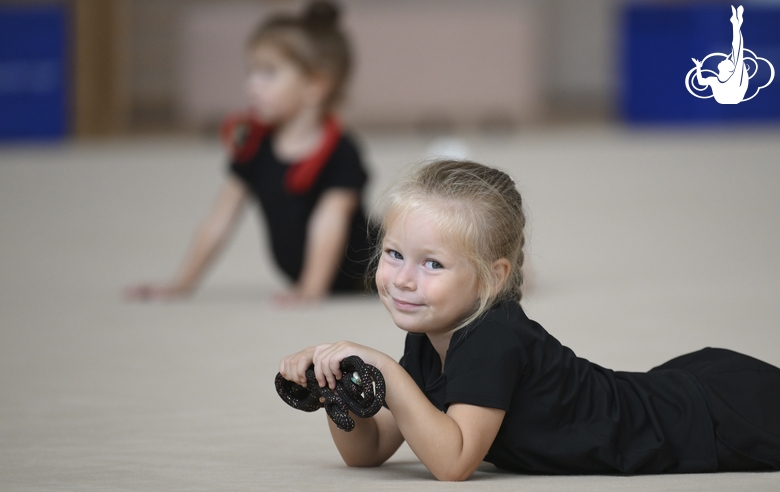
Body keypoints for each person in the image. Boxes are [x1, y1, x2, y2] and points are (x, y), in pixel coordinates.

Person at [279, 160, 780, 481]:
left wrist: (383, 370)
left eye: (432, 263)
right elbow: (372, 450)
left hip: (712, 418)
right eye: (394, 254)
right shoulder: (431, 335)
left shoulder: (492, 334)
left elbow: (453, 461)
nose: (404, 279)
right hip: (676, 389)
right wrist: (336, 389)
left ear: (492, 279)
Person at [126, 1, 375, 305]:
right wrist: (181, 285)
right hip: (301, 273)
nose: (251, 85)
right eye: (251, 72)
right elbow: (220, 219)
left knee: (405, 254)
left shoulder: (339, 151)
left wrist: (311, 290)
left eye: (268, 73)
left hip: (363, 271)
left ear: (315, 85)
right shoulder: (254, 146)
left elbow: (330, 222)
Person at [692, 5, 749, 104]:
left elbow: (738, 49)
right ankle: (736, 23)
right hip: (727, 98)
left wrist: (736, 26)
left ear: (729, 69)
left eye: (727, 61)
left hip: (734, 97)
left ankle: (736, 23)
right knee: (736, 51)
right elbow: (701, 82)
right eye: (727, 60)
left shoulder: (734, 78)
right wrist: (698, 67)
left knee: (737, 51)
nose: (725, 59)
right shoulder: (714, 80)